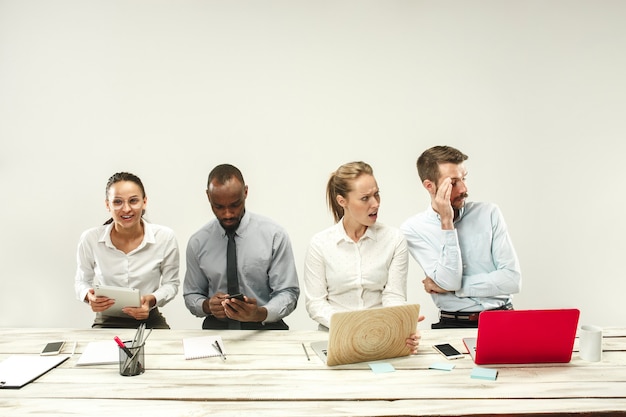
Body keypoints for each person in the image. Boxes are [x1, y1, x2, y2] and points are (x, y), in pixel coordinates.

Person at [303, 161, 421, 353]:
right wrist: (351, 327)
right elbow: (315, 303)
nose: (375, 203)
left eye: (376, 194)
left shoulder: (394, 239)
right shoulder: (320, 244)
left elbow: (394, 295)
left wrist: (401, 322)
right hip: (334, 338)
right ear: (343, 201)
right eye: (365, 198)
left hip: (381, 337)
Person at [401, 146, 522, 329]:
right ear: (429, 186)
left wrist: (455, 288)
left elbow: (512, 280)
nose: (464, 188)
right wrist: (447, 223)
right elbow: (450, 280)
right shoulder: (413, 229)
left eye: (464, 178)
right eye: (454, 182)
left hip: (503, 320)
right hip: (453, 325)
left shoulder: (489, 213)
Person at [183, 164, 300, 330]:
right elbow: (191, 294)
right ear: (208, 197)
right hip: (217, 329)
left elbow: (288, 292)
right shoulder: (198, 242)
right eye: (219, 207)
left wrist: (259, 313)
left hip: (265, 327)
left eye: (234, 205)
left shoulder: (274, 235)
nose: (227, 214)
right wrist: (207, 305)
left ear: (245, 192)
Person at [74, 172, 180, 329]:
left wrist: (151, 299)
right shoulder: (90, 239)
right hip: (107, 320)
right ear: (107, 205)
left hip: (149, 318)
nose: (126, 209)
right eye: (117, 202)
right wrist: (88, 297)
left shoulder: (165, 237)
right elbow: (81, 281)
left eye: (133, 201)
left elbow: (171, 284)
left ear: (144, 202)